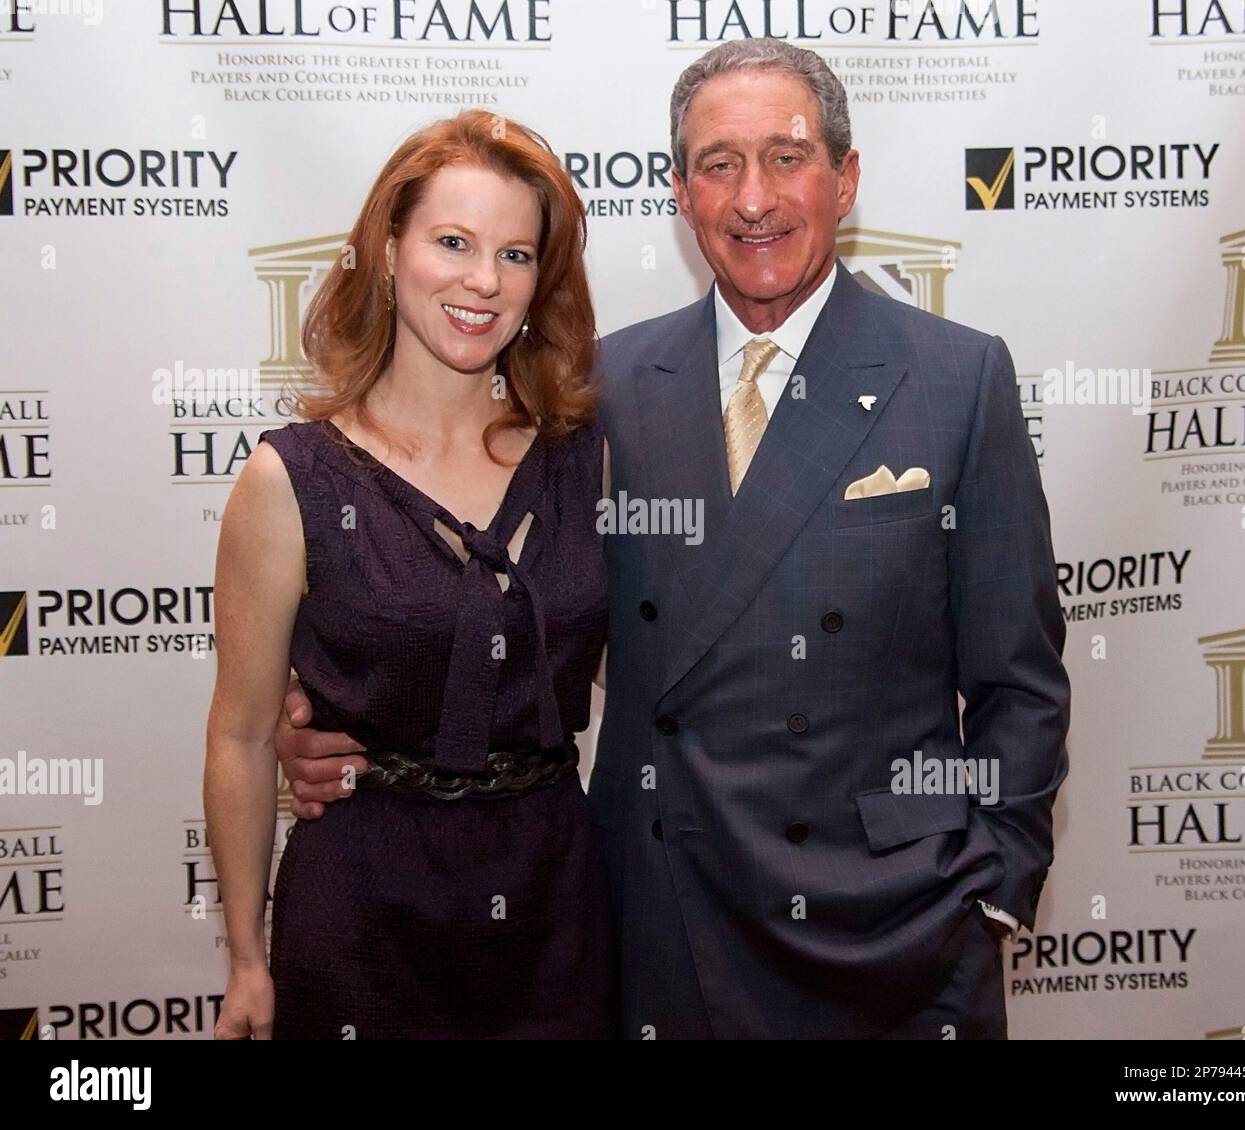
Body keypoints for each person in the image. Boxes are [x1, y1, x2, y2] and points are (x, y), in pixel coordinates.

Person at [278, 39, 1070, 1040]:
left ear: (846, 176)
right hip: (662, 908)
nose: (753, 199)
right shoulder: (595, 392)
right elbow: (493, 611)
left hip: (892, 927)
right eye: (717, 164)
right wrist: (335, 724)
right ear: (679, 193)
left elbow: (1020, 682)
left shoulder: (957, 380)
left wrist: (989, 881)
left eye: (785, 157)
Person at [203, 109, 614, 1040]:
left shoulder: (582, 458)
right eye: (453, 241)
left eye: (515, 255)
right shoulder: (290, 477)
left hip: (556, 904)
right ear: (386, 252)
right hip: (362, 909)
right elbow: (238, 735)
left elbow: (648, 656)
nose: (483, 281)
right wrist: (244, 960)